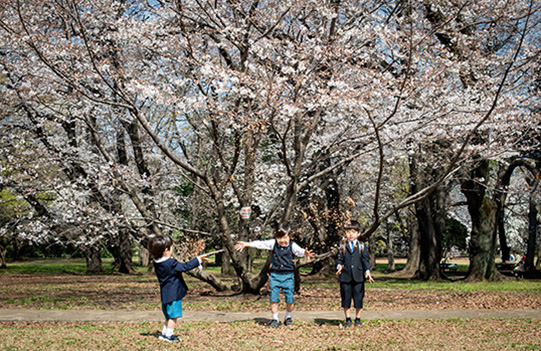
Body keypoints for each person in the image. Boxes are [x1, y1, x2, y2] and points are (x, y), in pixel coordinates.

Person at [235, 222, 314, 328]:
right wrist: (247, 244)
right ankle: (275, 319)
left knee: (290, 298)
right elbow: (261, 244)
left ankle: (288, 317)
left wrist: (305, 253)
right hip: (275, 276)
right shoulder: (273, 244)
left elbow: (299, 252)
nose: (282, 241)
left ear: (289, 236)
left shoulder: (292, 245)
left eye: (285, 237)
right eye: (279, 238)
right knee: (274, 299)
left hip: (288, 275)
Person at [148, 234, 210, 342]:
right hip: (174, 294)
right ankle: (169, 336)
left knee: (168, 316)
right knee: (173, 317)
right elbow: (185, 267)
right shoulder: (171, 263)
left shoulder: (156, 263)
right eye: (171, 247)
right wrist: (198, 259)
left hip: (165, 294)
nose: (172, 249)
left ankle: (164, 333)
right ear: (165, 251)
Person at [336, 220, 374, 327]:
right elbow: (339, 260)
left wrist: (367, 272)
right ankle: (348, 319)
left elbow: (365, 260)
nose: (351, 234)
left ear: (358, 233)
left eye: (353, 232)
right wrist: (339, 266)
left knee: (358, 298)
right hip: (345, 276)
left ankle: (358, 319)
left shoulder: (362, 246)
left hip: (358, 277)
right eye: (348, 232)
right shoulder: (342, 246)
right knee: (346, 298)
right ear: (344, 233)